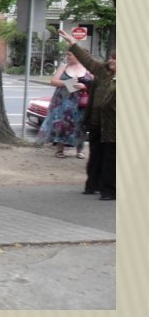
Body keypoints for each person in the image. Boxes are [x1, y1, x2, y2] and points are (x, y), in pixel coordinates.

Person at [59, 29, 116, 200]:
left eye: (115, 59)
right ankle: (92, 184)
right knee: (96, 154)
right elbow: (89, 61)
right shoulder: (105, 72)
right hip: (98, 121)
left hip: (114, 126)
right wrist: (73, 44)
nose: (111, 61)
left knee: (110, 157)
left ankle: (109, 190)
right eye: (111, 58)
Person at [37, 50, 92, 158]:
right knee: (62, 125)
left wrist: (84, 86)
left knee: (80, 125)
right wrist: (70, 84)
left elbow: (94, 84)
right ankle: (60, 150)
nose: (67, 57)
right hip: (63, 102)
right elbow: (53, 81)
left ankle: (79, 150)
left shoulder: (88, 69)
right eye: (67, 54)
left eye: (70, 55)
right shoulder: (64, 67)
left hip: (81, 103)